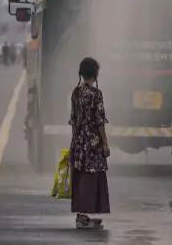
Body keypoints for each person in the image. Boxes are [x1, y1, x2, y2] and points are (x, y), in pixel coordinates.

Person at [69, 57, 110, 229]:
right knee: (90, 178)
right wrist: (105, 143)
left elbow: (73, 120)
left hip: (79, 141)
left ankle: (82, 215)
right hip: (92, 142)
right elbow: (99, 121)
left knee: (80, 176)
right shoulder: (96, 94)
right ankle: (83, 217)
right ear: (95, 73)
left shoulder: (76, 92)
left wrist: (75, 141)